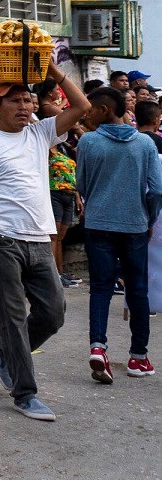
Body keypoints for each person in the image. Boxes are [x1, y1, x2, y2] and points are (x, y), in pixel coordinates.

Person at [0, 62, 89, 422]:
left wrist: (50, 68)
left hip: (39, 238)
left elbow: (82, 108)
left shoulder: (41, 134)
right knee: (14, 316)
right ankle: (25, 393)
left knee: (54, 313)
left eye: (28, 100)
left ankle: (7, 350)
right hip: (0, 238)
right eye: (15, 101)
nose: (24, 107)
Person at [77, 87, 162, 383]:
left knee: (100, 288)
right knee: (137, 290)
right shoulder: (144, 144)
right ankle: (138, 357)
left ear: (103, 110)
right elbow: (157, 189)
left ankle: (98, 348)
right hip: (135, 225)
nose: (86, 114)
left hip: (98, 224)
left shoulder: (88, 142)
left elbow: (83, 184)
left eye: (90, 109)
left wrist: (98, 201)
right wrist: (148, 217)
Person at [36, 79, 85, 287]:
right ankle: (54, 275)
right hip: (53, 193)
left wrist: (76, 195)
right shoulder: (42, 144)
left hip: (67, 193)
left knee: (60, 237)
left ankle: (60, 273)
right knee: (53, 237)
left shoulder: (63, 146)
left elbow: (69, 172)